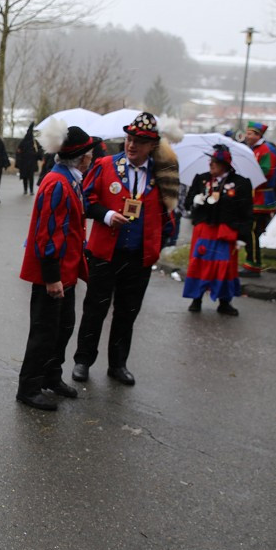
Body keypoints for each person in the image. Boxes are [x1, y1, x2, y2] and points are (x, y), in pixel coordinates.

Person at [71, 112, 176, 387]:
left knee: (127, 313)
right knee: (95, 308)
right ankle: (83, 360)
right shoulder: (106, 165)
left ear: (152, 145)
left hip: (139, 257)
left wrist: (158, 244)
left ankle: (118, 364)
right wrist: (106, 215)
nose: (131, 145)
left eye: (139, 142)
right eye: (129, 139)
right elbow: (85, 200)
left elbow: (169, 215)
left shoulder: (161, 174)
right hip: (105, 253)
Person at [16, 125, 100, 411]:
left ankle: (51, 376)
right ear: (81, 158)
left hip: (67, 274)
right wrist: (52, 277)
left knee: (62, 328)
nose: (91, 158)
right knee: (44, 332)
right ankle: (28, 387)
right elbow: (48, 233)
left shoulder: (69, 179)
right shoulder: (58, 183)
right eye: (89, 154)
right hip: (53, 276)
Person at [182, 145, 253, 316]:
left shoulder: (241, 183)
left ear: (225, 164)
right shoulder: (201, 180)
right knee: (199, 265)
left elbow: (246, 212)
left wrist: (242, 236)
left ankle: (224, 302)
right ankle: (196, 299)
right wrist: (195, 201)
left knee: (225, 268)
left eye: (215, 162)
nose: (211, 164)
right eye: (210, 161)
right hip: (204, 231)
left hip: (226, 232)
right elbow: (187, 203)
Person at [240, 121, 276, 276]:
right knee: (250, 231)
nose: (247, 136)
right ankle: (252, 261)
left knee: (252, 231)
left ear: (258, 135)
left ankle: (254, 264)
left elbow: (266, 172)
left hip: (261, 198)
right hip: (253, 197)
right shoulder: (253, 149)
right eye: (247, 133)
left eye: (250, 133)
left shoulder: (266, 150)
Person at [14, 122, 39, 195]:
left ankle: (27, 189)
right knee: (30, 177)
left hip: (25, 163)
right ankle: (30, 190)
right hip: (29, 163)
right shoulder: (33, 143)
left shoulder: (24, 142)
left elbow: (18, 152)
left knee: (26, 177)